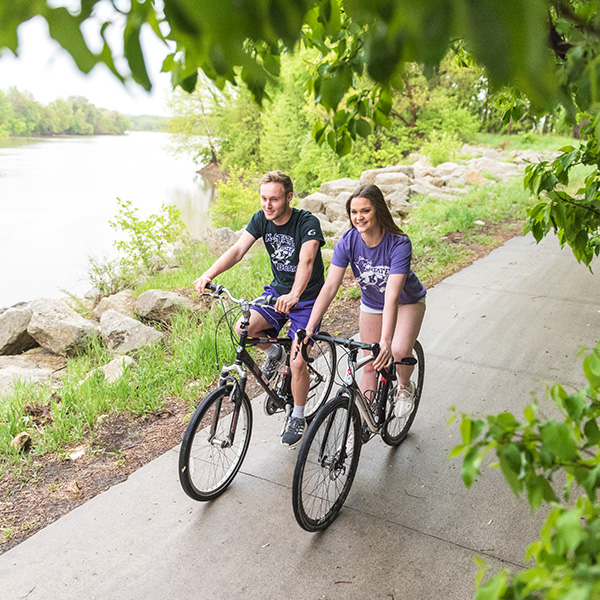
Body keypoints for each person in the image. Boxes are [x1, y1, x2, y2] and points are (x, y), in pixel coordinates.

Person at [194, 170, 326, 447]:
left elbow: (307, 260)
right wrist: (209, 274)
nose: (267, 205)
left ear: (289, 197)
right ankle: (274, 351)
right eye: (264, 198)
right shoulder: (260, 219)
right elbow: (237, 251)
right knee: (243, 326)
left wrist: (295, 294)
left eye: (274, 199)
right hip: (277, 293)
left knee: (299, 360)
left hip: (308, 298)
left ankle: (298, 415)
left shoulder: (307, 223)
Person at [304, 184, 426, 429]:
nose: (358, 217)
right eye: (353, 212)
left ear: (378, 210)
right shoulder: (348, 241)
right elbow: (329, 288)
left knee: (400, 350)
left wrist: (387, 342)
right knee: (369, 363)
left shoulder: (399, 243)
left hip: (407, 302)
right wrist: (309, 328)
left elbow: (392, 296)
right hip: (372, 304)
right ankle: (360, 427)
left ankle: (404, 387)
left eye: (365, 211)